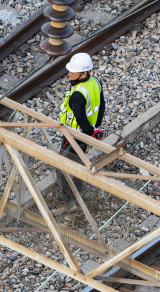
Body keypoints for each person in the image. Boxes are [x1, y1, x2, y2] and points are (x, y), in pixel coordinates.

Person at [55, 52, 105, 211]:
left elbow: (81, 118)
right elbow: (101, 105)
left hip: (75, 135)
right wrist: (94, 128)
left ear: (83, 73)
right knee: (77, 161)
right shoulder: (95, 82)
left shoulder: (78, 95)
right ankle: (78, 191)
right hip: (85, 134)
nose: (69, 73)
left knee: (61, 166)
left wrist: (89, 131)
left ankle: (67, 202)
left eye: (73, 71)